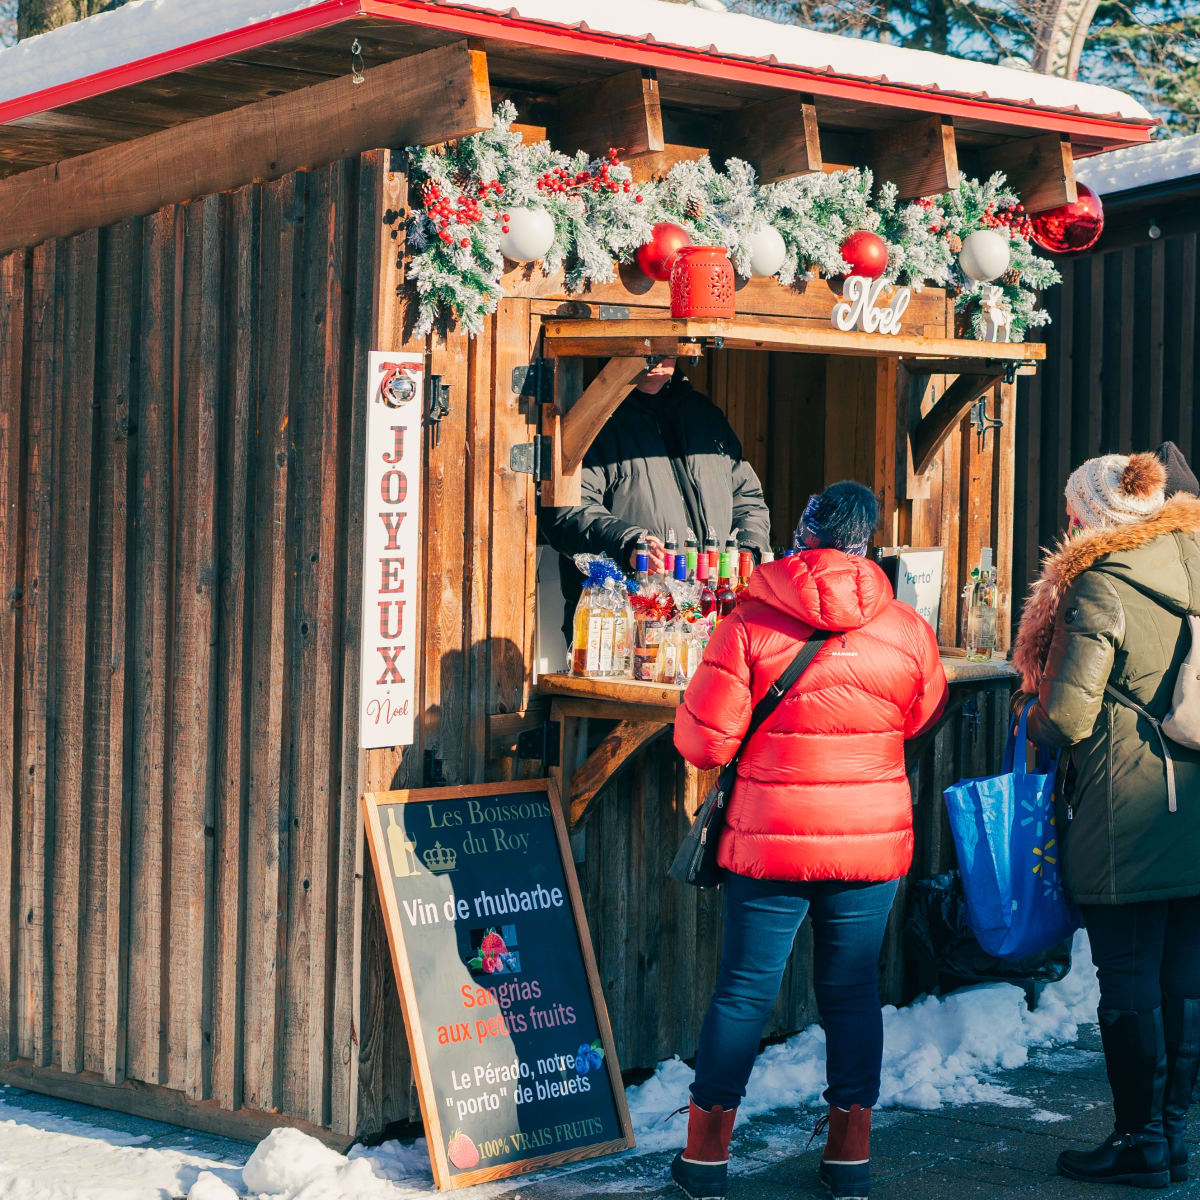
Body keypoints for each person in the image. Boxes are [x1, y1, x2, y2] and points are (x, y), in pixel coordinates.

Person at [669, 482, 948, 1200]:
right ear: (867, 542)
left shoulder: (748, 622)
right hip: (869, 841)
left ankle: (705, 1157)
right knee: (852, 993)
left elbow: (703, 745)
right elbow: (922, 717)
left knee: (743, 991)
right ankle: (849, 1157)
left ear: (802, 536)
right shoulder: (907, 628)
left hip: (770, 842)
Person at [1012, 451, 1200, 1189]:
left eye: (1072, 508)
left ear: (1093, 514)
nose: (1066, 520)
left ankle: (1138, 1141)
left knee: (1127, 976)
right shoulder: (1193, 559)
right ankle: (1173, 1134)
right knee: (1185, 975)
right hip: (1195, 802)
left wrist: (1029, 716)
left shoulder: (1101, 583)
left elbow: (1066, 716)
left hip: (1129, 810)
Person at [539, 357, 772, 634]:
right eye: (647, 349)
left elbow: (748, 500)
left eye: (666, 349)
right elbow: (565, 510)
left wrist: (746, 554)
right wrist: (630, 545)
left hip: (709, 620)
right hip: (624, 622)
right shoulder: (592, 418)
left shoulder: (705, 415)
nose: (656, 361)